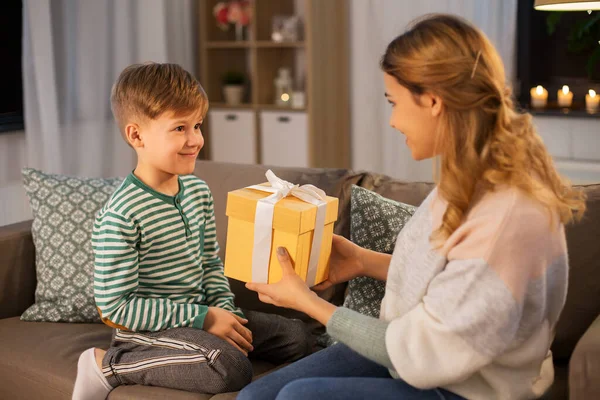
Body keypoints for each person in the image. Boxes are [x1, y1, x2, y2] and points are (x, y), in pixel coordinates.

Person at [238, 14, 586, 400]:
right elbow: (451, 288)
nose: (392, 121)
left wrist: (307, 303)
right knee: (255, 397)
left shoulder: (508, 217)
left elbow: (428, 351)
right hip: (417, 359)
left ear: (433, 101)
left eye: (395, 102)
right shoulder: (468, 181)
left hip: (468, 387)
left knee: (296, 398)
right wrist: (362, 261)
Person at [72, 63, 311, 400]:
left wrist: (225, 313)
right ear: (136, 135)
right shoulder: (121, 214)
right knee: (229, 368)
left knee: (298, 336)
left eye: (198, 125)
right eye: (180, 128)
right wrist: (204, 318)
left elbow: (209, 264)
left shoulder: (197, 191)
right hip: (145, 332)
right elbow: (116, 308)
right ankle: (108, 365)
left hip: (200, 317)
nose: (195, 139)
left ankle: (205, 346)